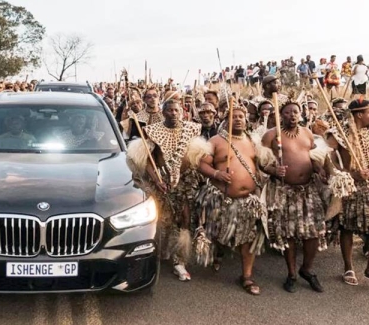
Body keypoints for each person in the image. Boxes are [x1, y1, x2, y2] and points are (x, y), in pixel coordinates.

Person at [193, 105, 271, 295]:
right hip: (222, 199)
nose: (238, 119)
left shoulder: (253, 141)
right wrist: (217, 173)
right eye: (233, 116)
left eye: (241, 116)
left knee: (249, 238)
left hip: (249, 201)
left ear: (246, 119)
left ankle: (247, 276)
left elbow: (262, 164)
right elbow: (201, 164)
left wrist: (275, 171)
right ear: (226, 120)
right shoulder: (216, 141)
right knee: (220, 235)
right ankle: (219, 252)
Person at [127, 100, 202, 281]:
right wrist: (156, 180)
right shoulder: (153, 131)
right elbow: (145, 160)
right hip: (161, 182)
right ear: (164, 112)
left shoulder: (191, 129)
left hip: (185, 183)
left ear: (181, 112)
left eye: (177, 110)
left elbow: (197, 156)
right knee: (161, 220)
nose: (173, 113)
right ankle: (155, 256)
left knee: (185, 219)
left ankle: (179, 260)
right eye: (169, 110)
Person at [262, 98, 327, 293]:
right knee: (288, 234)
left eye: (295, 112)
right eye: (288, 112)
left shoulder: (308, 133)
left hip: (308, 190)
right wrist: (274, 170)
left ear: (301, 114)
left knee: (314, 233)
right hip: (284, 191)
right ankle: (291, 273)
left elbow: (315, 157)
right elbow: (260, 162)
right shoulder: (272, 135)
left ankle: (306, 270)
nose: (292, 115)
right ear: (281, 115)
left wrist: (318, 168)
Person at [324, 98, 369, 285]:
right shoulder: (339, 135)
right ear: (359, 114)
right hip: (349, 187)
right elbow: (328, 160)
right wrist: (349, 173)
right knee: (347, 227)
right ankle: (348, 267)